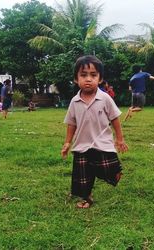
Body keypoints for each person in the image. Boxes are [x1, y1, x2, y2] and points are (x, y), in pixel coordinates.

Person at [61, 55, 128, 209]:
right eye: (83, 75)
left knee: (107, 167)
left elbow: (115, 119)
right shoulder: (74, 101)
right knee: (82, 176)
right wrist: (67, 142)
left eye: (93, 75)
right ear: (76, 79)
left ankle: (115, 173)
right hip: (82, 145)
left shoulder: (105, 98)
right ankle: (87, 198)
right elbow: (71, 124)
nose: (88, 79)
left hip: (102, 143)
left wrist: (120, 139)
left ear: (100, 79)